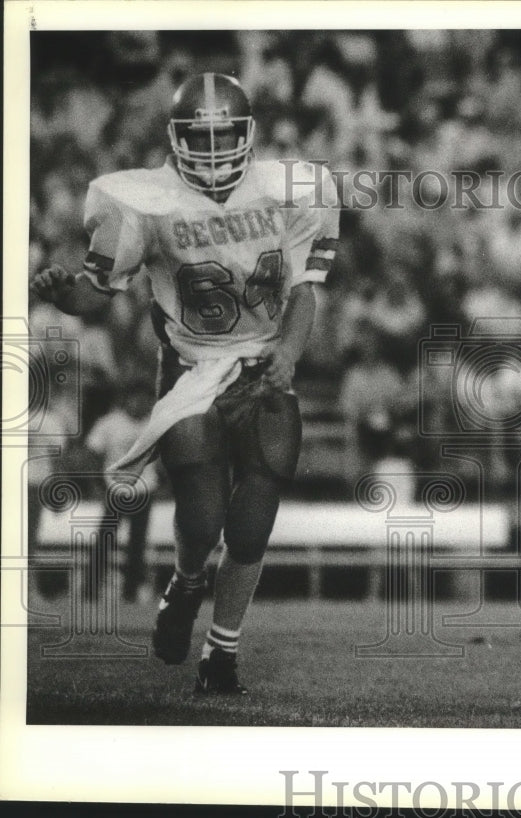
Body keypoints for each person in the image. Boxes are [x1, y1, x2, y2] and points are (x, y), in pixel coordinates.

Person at [31, 72, 340, 695]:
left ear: (248, 134)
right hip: (193, 366)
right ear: (174, 138)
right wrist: (67, 295)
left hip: (260, 361)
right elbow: (99, 293)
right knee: (201, 518)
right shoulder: (143, 200)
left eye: (224, 134)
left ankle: (221, 652)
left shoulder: (294, 189)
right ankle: (186, 580)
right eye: (199, 136)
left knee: (252, 525)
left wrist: (288, 350)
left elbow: (306, 289)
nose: (213, 148)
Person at [84, 380, 158, 603]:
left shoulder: (156, 423)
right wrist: (96, 485)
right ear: (127, 399)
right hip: (114, 488)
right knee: (105, 540)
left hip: (145, 489)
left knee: (137, 543)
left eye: (146, 399)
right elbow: (93, 454)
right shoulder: (109, 423)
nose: (141, 403)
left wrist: (163, 482)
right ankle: (90, 590)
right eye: (137, 398)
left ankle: (131, 592)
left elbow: (168, 456)